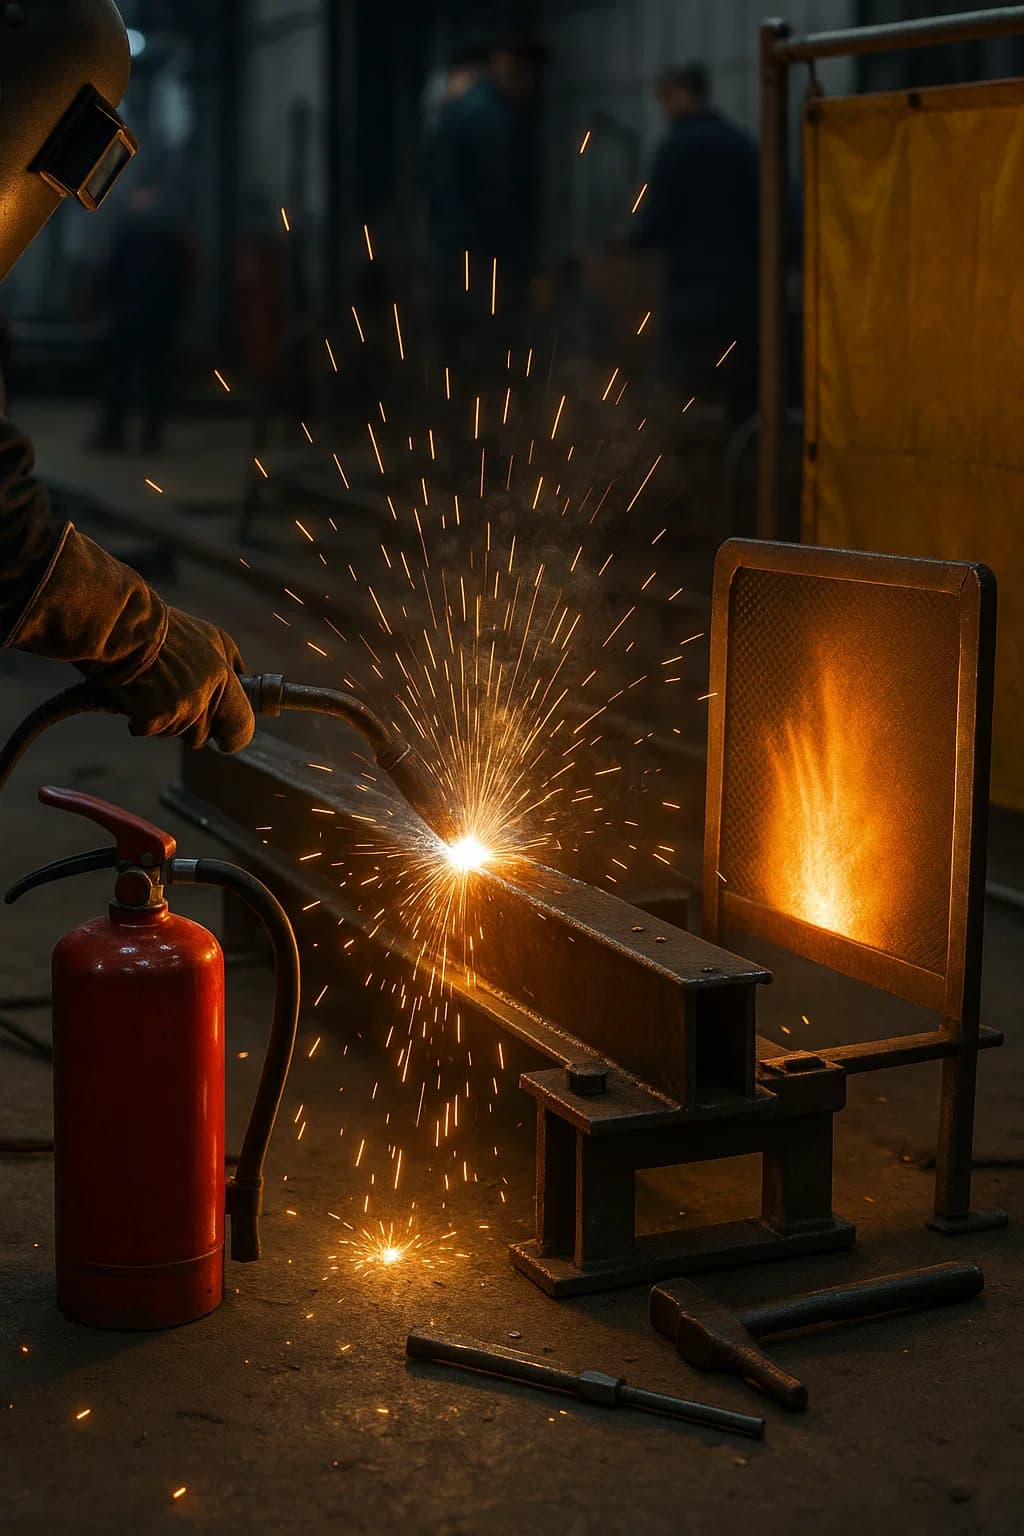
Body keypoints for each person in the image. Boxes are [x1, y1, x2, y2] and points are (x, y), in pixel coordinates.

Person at [0, 0, 253, 753]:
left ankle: (129, 423)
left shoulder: (170, 214)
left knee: (135, 376)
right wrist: (139, 636)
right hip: (138, 305)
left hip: (148, 308)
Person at [625, 62, 759, 420]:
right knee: (731, 391)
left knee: (681, 390)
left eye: (667, 98)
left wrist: (623, 244)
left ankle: (686, 464)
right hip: (742, 294)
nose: (664, 108)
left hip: (691, 295)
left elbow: (657, 220)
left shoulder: (677, 146)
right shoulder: (741, 143)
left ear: (685, 93)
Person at [424, 36, 545, 386]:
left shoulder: (455, 112)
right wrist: (519, 261)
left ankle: (459, 428)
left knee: (458, 355)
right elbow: (497, 196)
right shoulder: (488, 116)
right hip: (481, 258)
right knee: (489, 353)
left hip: (453, 252)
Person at [89, 179, 198, 453]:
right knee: (134, 376)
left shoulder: (157, 235)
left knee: (145, 377)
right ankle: (129, 432)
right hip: (142, 316)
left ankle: (137, 432)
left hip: (146, 316)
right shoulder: (151, 234)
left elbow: (184, 277)